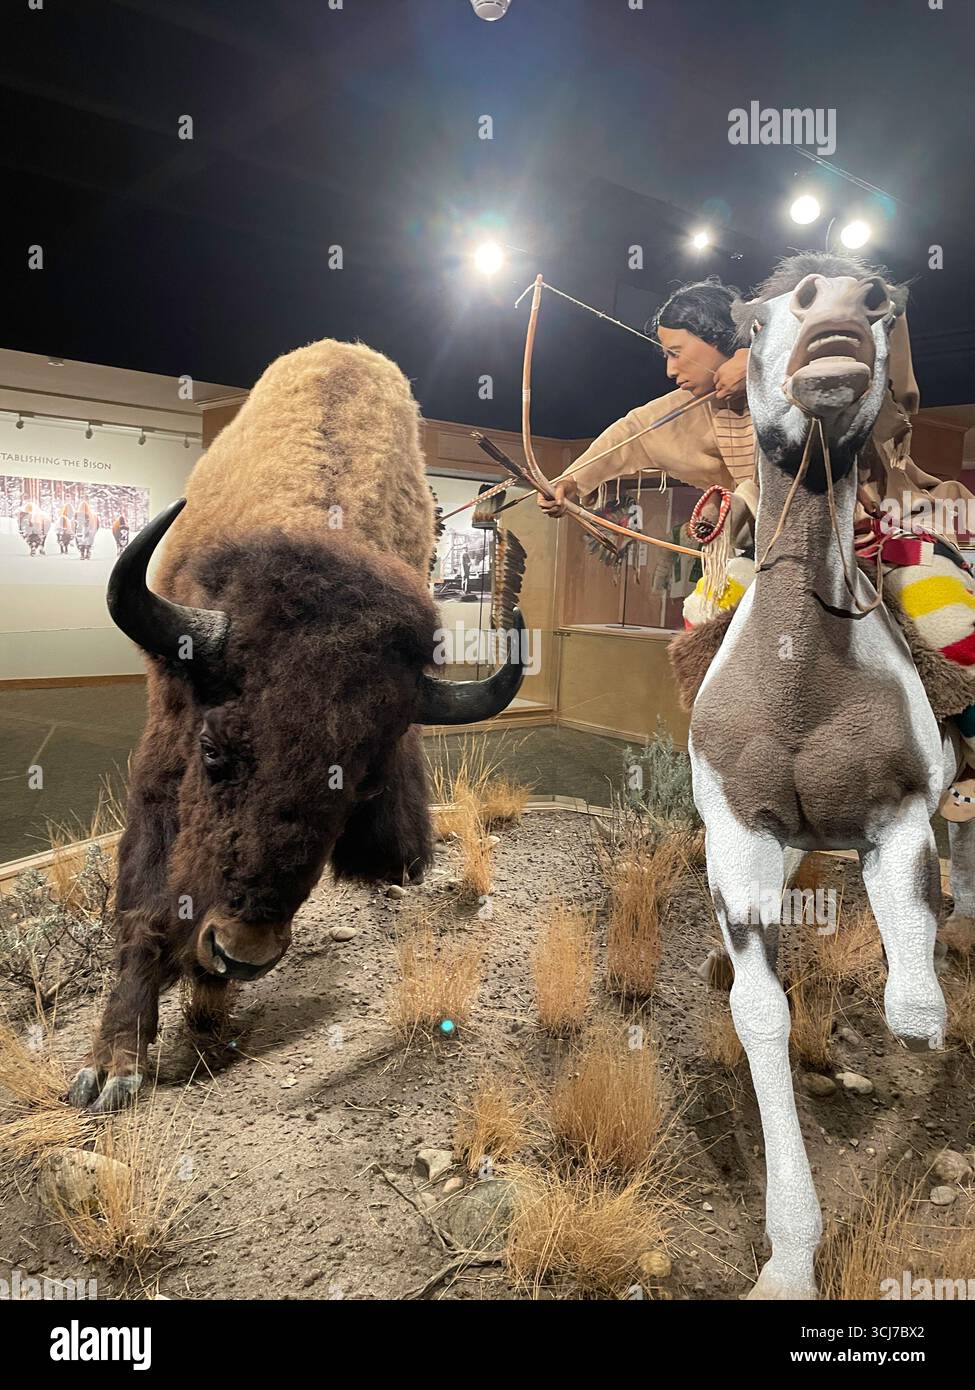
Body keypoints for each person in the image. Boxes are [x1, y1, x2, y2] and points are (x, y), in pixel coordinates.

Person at [538, 260, 975, 818]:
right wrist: (570, 482)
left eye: (677, 352)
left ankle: (970, 754)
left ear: (721, 339)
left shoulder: (805, 371)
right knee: (705, 611)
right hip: (776, 552)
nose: (670, 369)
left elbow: (870, 348)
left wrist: (759, 364)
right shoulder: (693, 408)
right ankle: (728, 749)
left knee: (943, 618)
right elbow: (629, 435)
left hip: (867, 536)